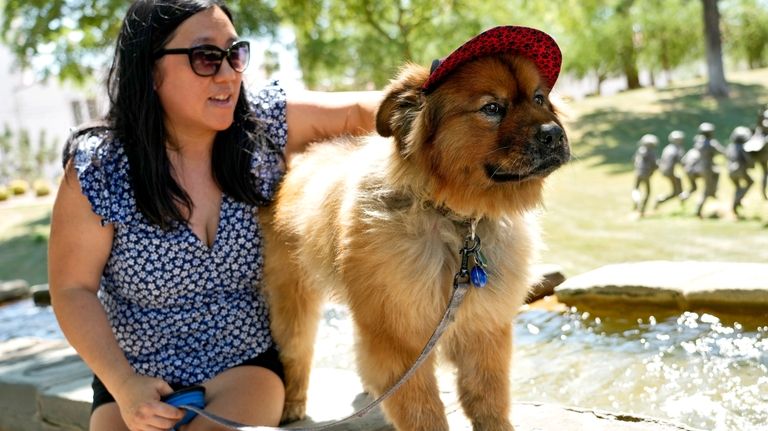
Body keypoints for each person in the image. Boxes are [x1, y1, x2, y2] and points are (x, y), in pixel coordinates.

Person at [47, 1, 380, 430]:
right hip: (132, 376)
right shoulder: (100, 168)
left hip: (242, 366)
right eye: (206, 57)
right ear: (150, 70)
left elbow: (361, 113)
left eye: (235, 53)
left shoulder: (262, 124)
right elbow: (72, 288)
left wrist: (451, 97)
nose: (228, 74)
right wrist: (124, 384)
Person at [680, 122, 725, 217]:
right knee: (707, 190)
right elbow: (721, 151)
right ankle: (699, 209)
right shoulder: (711, 143)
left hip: (697, 168)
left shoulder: (698, 142)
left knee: (716, 173)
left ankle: (685, 196)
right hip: (707, 168)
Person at [725, 126, 755, 217]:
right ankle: (737, 201)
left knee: (738, 187)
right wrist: (752, 165)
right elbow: (748, 159)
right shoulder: (742, 147)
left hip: (730, 171)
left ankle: (736, 204)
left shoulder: (730, 146)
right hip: (739, 170)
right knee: (750, 182)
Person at [654, 130, 686, 209]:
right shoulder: (676, 149)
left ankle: (661, 200)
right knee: (677, 188)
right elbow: (681, 161)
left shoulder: (668, 148)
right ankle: (682, 204)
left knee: (677, 187)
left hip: (664, 170)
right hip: (669, 171)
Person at [631, 133, 658, 217]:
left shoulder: (640, 150)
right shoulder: (651, 153)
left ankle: (636, 200)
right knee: (648, 192)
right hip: (646, 174)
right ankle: (642, 208)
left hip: (638, 172)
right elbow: (655, 165)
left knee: (636, 188)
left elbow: (633, 160)